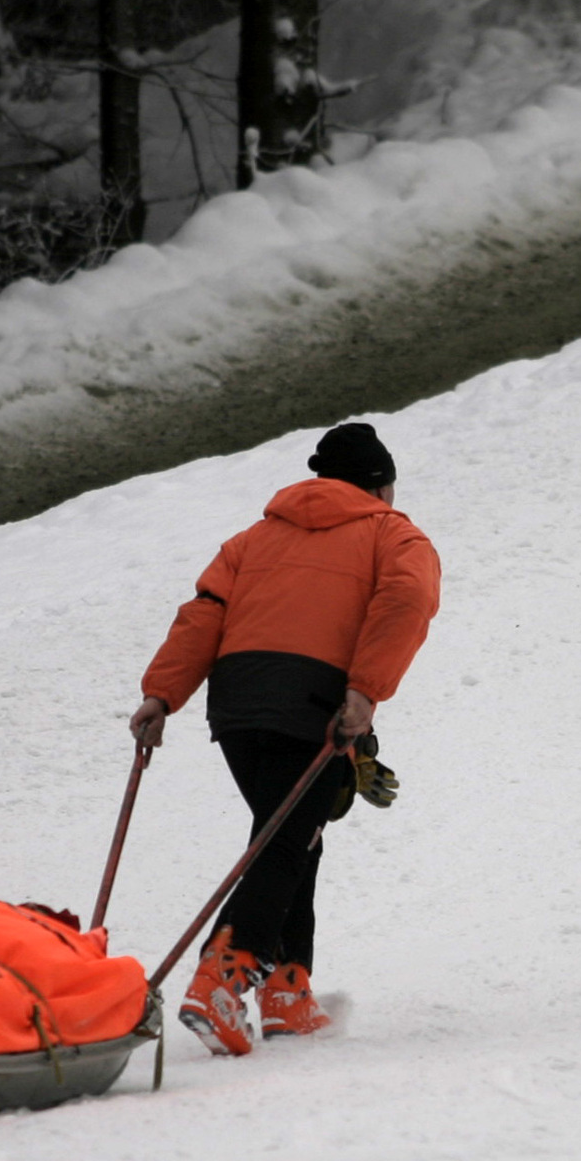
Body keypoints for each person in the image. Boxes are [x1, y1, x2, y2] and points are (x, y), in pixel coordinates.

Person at [129, 423, 440, 1056]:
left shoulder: (252, 539)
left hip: (238, 700)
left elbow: (204, 611)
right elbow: (408, 597)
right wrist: (365, 690)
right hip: (314, 697)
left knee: (292, 834)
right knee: (284, 841)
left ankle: (287, 990)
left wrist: (162, 694)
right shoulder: (394, 533)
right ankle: (220, 980)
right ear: (381, 485)